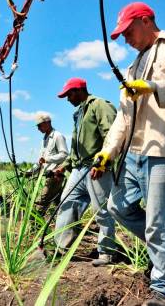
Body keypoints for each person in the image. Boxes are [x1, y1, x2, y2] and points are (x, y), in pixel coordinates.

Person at [94, 2, 165, 305]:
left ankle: (163, 289)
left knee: (158, 220)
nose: (125, 39)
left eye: (128, 31)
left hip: (164, 147)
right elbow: (124, 116)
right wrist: (107, 152)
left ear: (146, 20)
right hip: (134, 148)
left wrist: (154, 87)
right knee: (118, 206)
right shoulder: (133, 66)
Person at [53, 77, 117, 267]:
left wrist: (103, 161)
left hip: (97, 167)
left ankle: (106, 252)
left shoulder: (100, 105)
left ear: (80, 90)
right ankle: (61, 247)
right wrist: (65, 165)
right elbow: (76, 147)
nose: (67, 99)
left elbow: (112, 135)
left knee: (102, 211)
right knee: (66, 204)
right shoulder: (79, 112)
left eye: (69, 94)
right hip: (79, 168)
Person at [26, 113, 68, 215]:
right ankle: (69, 223)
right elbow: (41, 160)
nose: (38, 128)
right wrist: (31, 171)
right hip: (48, 175)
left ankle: (34, 226)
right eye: (37, 126)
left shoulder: (58, 136)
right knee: (59, 202)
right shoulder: (44, 139)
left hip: (55, 175)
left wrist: (47, 159)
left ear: (48, 123)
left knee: (41, 202)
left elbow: (64, 155)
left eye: (40, 125)